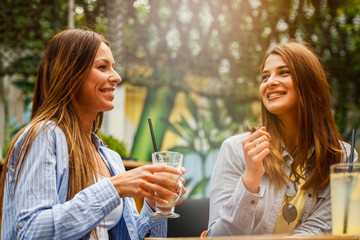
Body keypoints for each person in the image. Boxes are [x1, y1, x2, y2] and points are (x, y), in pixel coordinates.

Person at [0, 28, 186, 240]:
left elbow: (130, 237)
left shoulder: (110, 159)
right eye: (102, 67)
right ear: (70, 74)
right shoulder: (44, 137)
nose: (116, 77)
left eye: (113, 68)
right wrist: (114, 188)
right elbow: (30, 232)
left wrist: (154, 207)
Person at [207, 41, 358, 236]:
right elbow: (218, 238)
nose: (270, 82)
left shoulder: (342, 157)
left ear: (310, 83)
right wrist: (249, 181)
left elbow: (325, 230)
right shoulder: (235, 150)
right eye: (265, 77)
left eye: (284, 72)